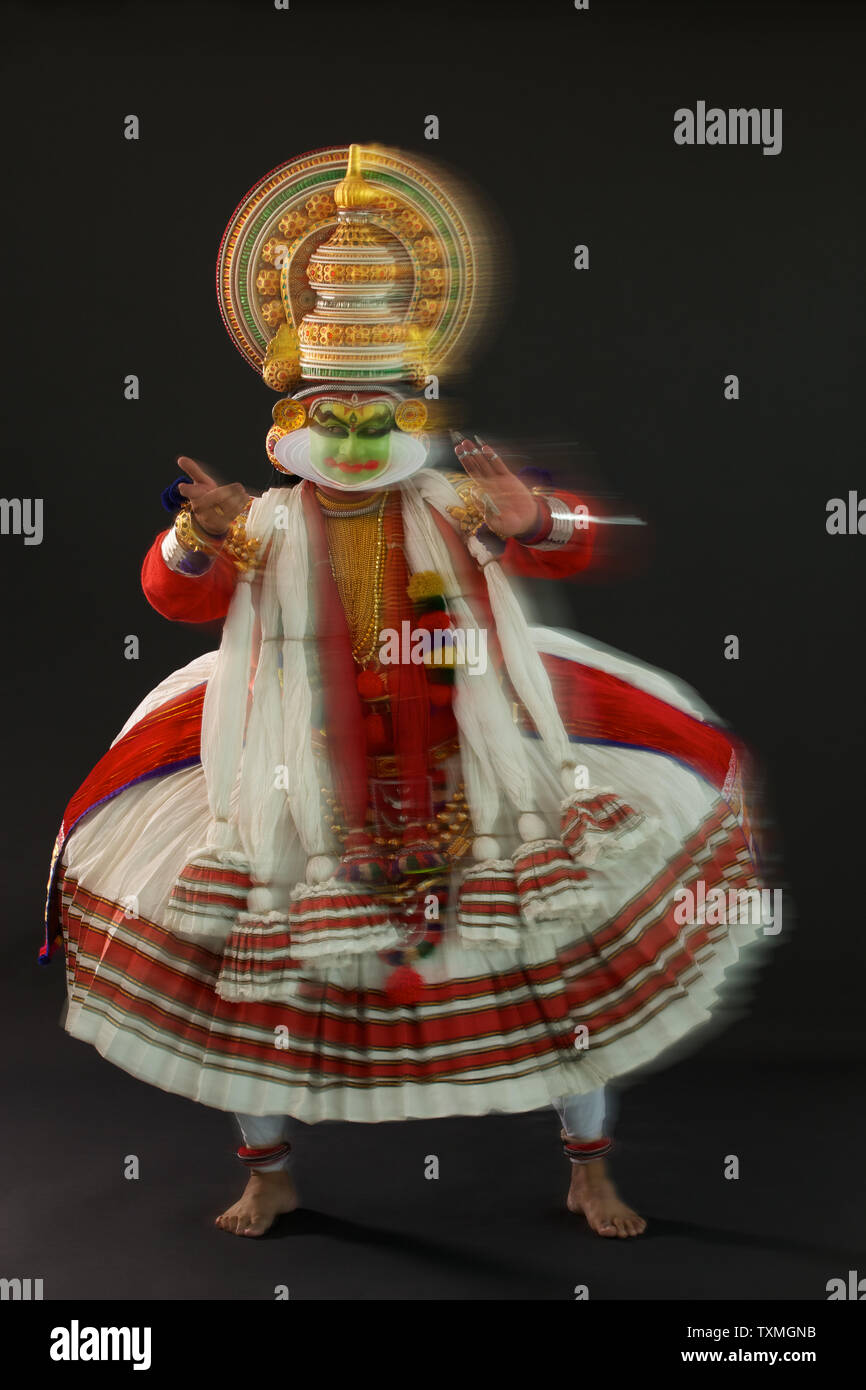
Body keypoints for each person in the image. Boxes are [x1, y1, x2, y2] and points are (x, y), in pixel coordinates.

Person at [43, 144, 763, 1241]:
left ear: (410, 407)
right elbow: (172, 597)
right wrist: (197, 535)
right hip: (292, 770)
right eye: (333, 411)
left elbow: (584, 542)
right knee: (264, 985)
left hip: (471, 757)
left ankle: (586, 1166)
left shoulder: (459, 503)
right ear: (294, 416)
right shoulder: (262, 518)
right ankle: (269, 1171)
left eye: (377, 410)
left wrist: (534, 520)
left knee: (546, 963)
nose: (355, 433)